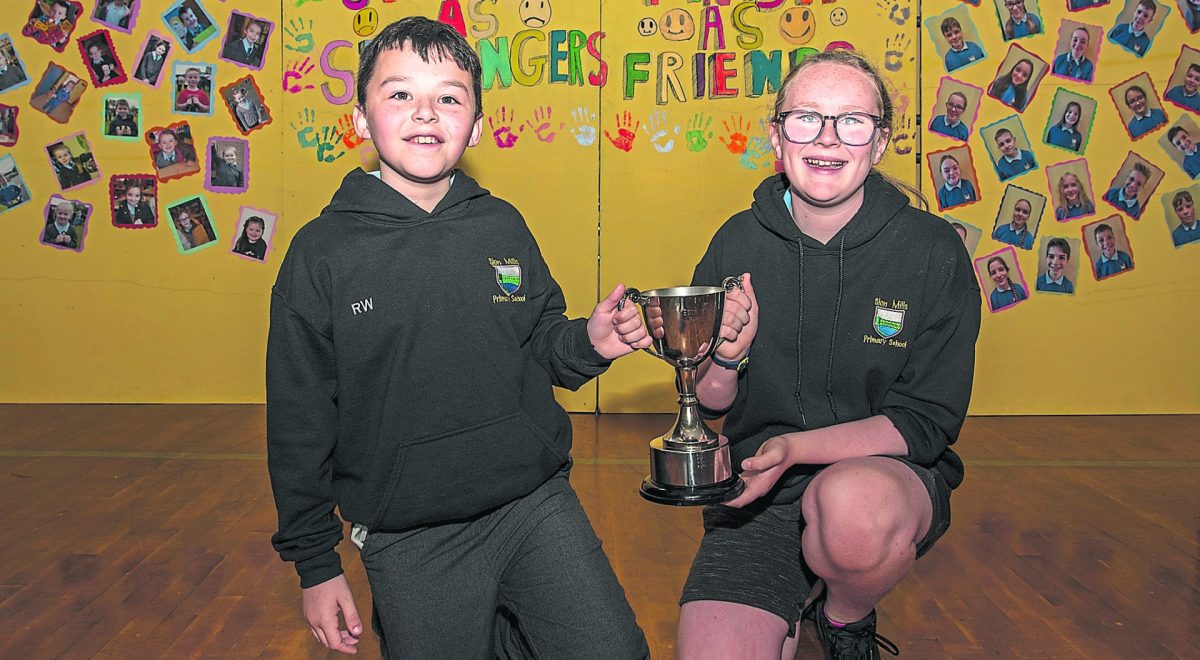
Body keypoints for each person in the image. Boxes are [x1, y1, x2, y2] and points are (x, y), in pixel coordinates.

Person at [266, 16, 651, 659]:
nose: (425, 112)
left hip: (533, 505)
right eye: (399, 94)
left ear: (474, 126)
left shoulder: (501, 225)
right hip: (409, 535)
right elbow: (299, 422)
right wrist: (316, 564)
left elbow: (541, 347)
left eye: (448, 96)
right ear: (361, 119)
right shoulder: (321, 255)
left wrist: (591, 341)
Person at [674, 49, 981, 660]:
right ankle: (794, 594)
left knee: (850, 510)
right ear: (777, 135)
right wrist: (726, 356)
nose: (827, 139)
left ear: (881, 140)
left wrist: (796, 449)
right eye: (806, 118)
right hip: (758, 487)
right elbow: (707, 403)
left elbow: (925, 423)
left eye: (852, 121)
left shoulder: (933, 250)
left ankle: (844, 615)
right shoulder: (737, 240)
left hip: (878, 481)